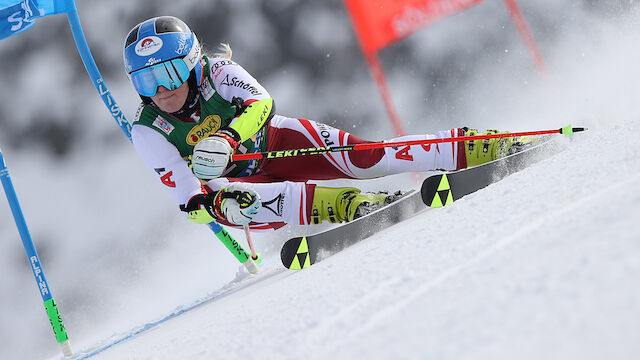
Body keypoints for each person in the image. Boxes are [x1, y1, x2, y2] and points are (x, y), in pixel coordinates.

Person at [123, 16, 531, 231]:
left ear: (193, 64)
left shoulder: (220, 71)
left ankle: (473, 145)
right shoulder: (147, 129)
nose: (160, 90)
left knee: (369, 157)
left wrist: (229, 137)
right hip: (242, 188)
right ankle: (343, 205)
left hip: (277, 140)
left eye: (169, 74)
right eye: (146, 81)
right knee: (235, 204)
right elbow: (187, 200)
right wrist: (207, 204)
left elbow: (262, 104)